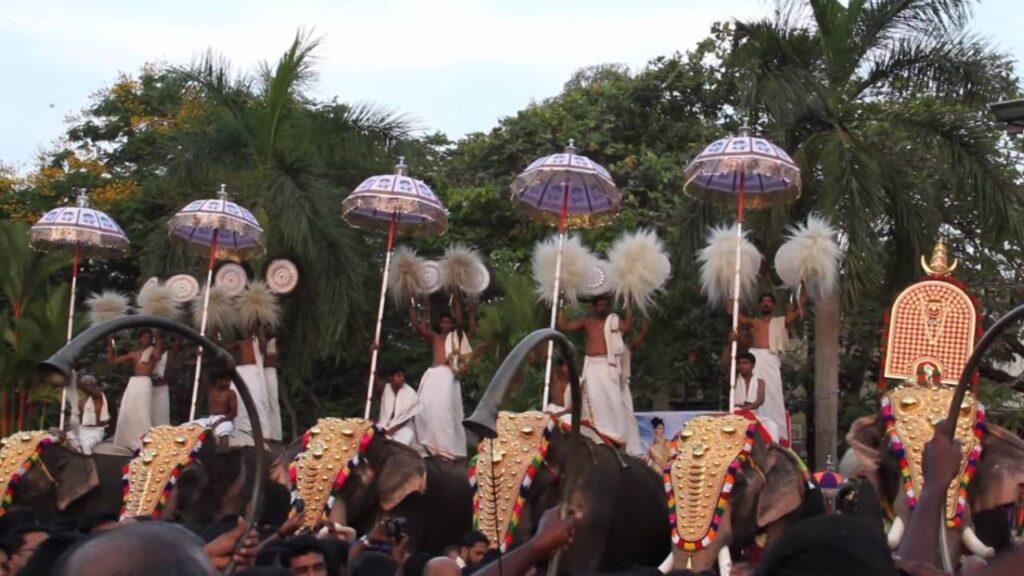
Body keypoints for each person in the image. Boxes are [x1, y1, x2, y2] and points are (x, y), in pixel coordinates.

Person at [557, 295, 637, 452]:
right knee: (594, 400)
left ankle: (616, 437)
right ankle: (597, 434)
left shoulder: (613, 320)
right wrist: (563, 303)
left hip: (609, 367)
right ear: (594, 306)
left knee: (614, 401)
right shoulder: (587, 321)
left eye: (606, 304)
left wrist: (627, 303)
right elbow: (563, 325)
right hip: (593, 367)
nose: (603, 307)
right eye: (600, 304)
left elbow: (627, 326)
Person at [728, 291, 803, 443]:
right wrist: (731, 294)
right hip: (756, 359)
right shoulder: (754, 323)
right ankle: (750, 425)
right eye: (763, 301)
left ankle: (776, 433)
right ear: (760, 305)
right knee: (751, 391)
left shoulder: (781, 321)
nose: (766, 303)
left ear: (773, 305)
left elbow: (800, 310)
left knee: (773, 395)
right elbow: (734, 314)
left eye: (769, 301)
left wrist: (803, 286)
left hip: (771, 360)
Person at [409, 299, 471, 459]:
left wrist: (456, 295)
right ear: (440, 324)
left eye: (448, 322)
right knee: (425, 410)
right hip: (433, 375)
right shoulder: (434, 337)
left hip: (448, 375)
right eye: (443, 322)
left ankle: (447, 450)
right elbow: (417, 324)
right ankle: (430, 447)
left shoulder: (455, 337)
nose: (446, 324)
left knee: (445, 412)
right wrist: (412, 304)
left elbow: (460, 320)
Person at [108, 328, 164, 451]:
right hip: (133, 382)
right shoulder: (134, 354)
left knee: (142, 411)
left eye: (149, 338)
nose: (147, 340)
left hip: (144, 383)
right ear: (139, 339)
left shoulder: (153, 352)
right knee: (128, 410)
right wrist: (110, 344)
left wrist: (156, 334)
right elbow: (113, 361)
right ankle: (126, 440)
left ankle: (144, 440)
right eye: (144, 337)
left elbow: (159, 355)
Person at [229, 327, 272, 445]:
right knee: (239, 403)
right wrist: (216, 331)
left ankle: (263, 435)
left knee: (257, 402)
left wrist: (256, 323)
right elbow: (221, 348)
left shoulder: (258, 342)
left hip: (253, 372)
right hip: (240, 372)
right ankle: (240, 434)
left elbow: (263, 348)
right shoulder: (238, 344)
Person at [735, 351, 779, 438]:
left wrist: (745, 409)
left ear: (753, 366)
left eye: (745, 363)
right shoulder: (734, 381)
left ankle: (772, 451)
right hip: (736, 414)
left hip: (754, 414)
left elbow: (760, 401)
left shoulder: (760, 382)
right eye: (739, 364)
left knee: (772, 426)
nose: (742, 366)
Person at [192, 369, 238, 449]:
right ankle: (193, 457)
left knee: (224, 433)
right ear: (218, 380)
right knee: (193, 429)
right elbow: (202, 379)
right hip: (209, 418)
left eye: (229, 380)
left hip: (224, 418)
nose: (228, 382)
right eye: (226, 380)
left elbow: (234, 412)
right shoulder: (210, 390)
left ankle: (224, 456)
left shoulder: (230, 393)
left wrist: (219, 421)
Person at [377, 367, 419, 446]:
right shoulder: (385, 388)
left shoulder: (410, 393)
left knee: (401, 443)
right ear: (390, 377)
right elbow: (374, 382)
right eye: (399, 376)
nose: (402, 379)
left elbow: (406, 418)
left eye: (403, 377)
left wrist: (392, 431)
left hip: (403, 428)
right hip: (384, 425)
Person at [77, 374, 110, 454]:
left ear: (94, 385)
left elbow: (91, 392)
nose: (87, 388)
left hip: (95, 432)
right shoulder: (81, 400)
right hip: (82, 429)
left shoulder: (99, 396)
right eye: (85, 385)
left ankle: (90, 466)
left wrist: (77, 382)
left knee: (86, 447)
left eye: (89, 385)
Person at [265, 330, 284, 442]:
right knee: (266, 403)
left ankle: (276, 434)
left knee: (273, 402)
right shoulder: (265, 342)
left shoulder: (274, 342)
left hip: (270, 371)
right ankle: (269, 432)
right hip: (263, 372)